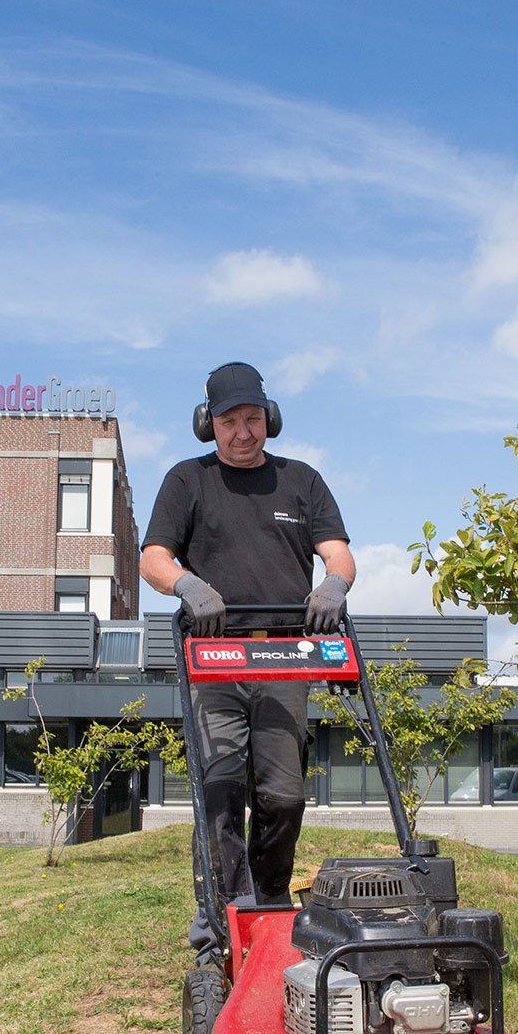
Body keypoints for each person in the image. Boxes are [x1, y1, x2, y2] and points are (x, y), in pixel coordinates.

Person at [140, 361, 355, 961]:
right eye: (230, 421)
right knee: (221, 786)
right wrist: (186, 585)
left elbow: (338, 555)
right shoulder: (188, 480)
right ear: (209, 424)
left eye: (253, 418)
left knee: (283, 796)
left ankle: (270, 906)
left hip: (287, 655)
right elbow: (153, 555)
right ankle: (223, 921)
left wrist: (334, 585)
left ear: (271, 419)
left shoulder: (301, 481)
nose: (243, 432)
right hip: (215, 657)